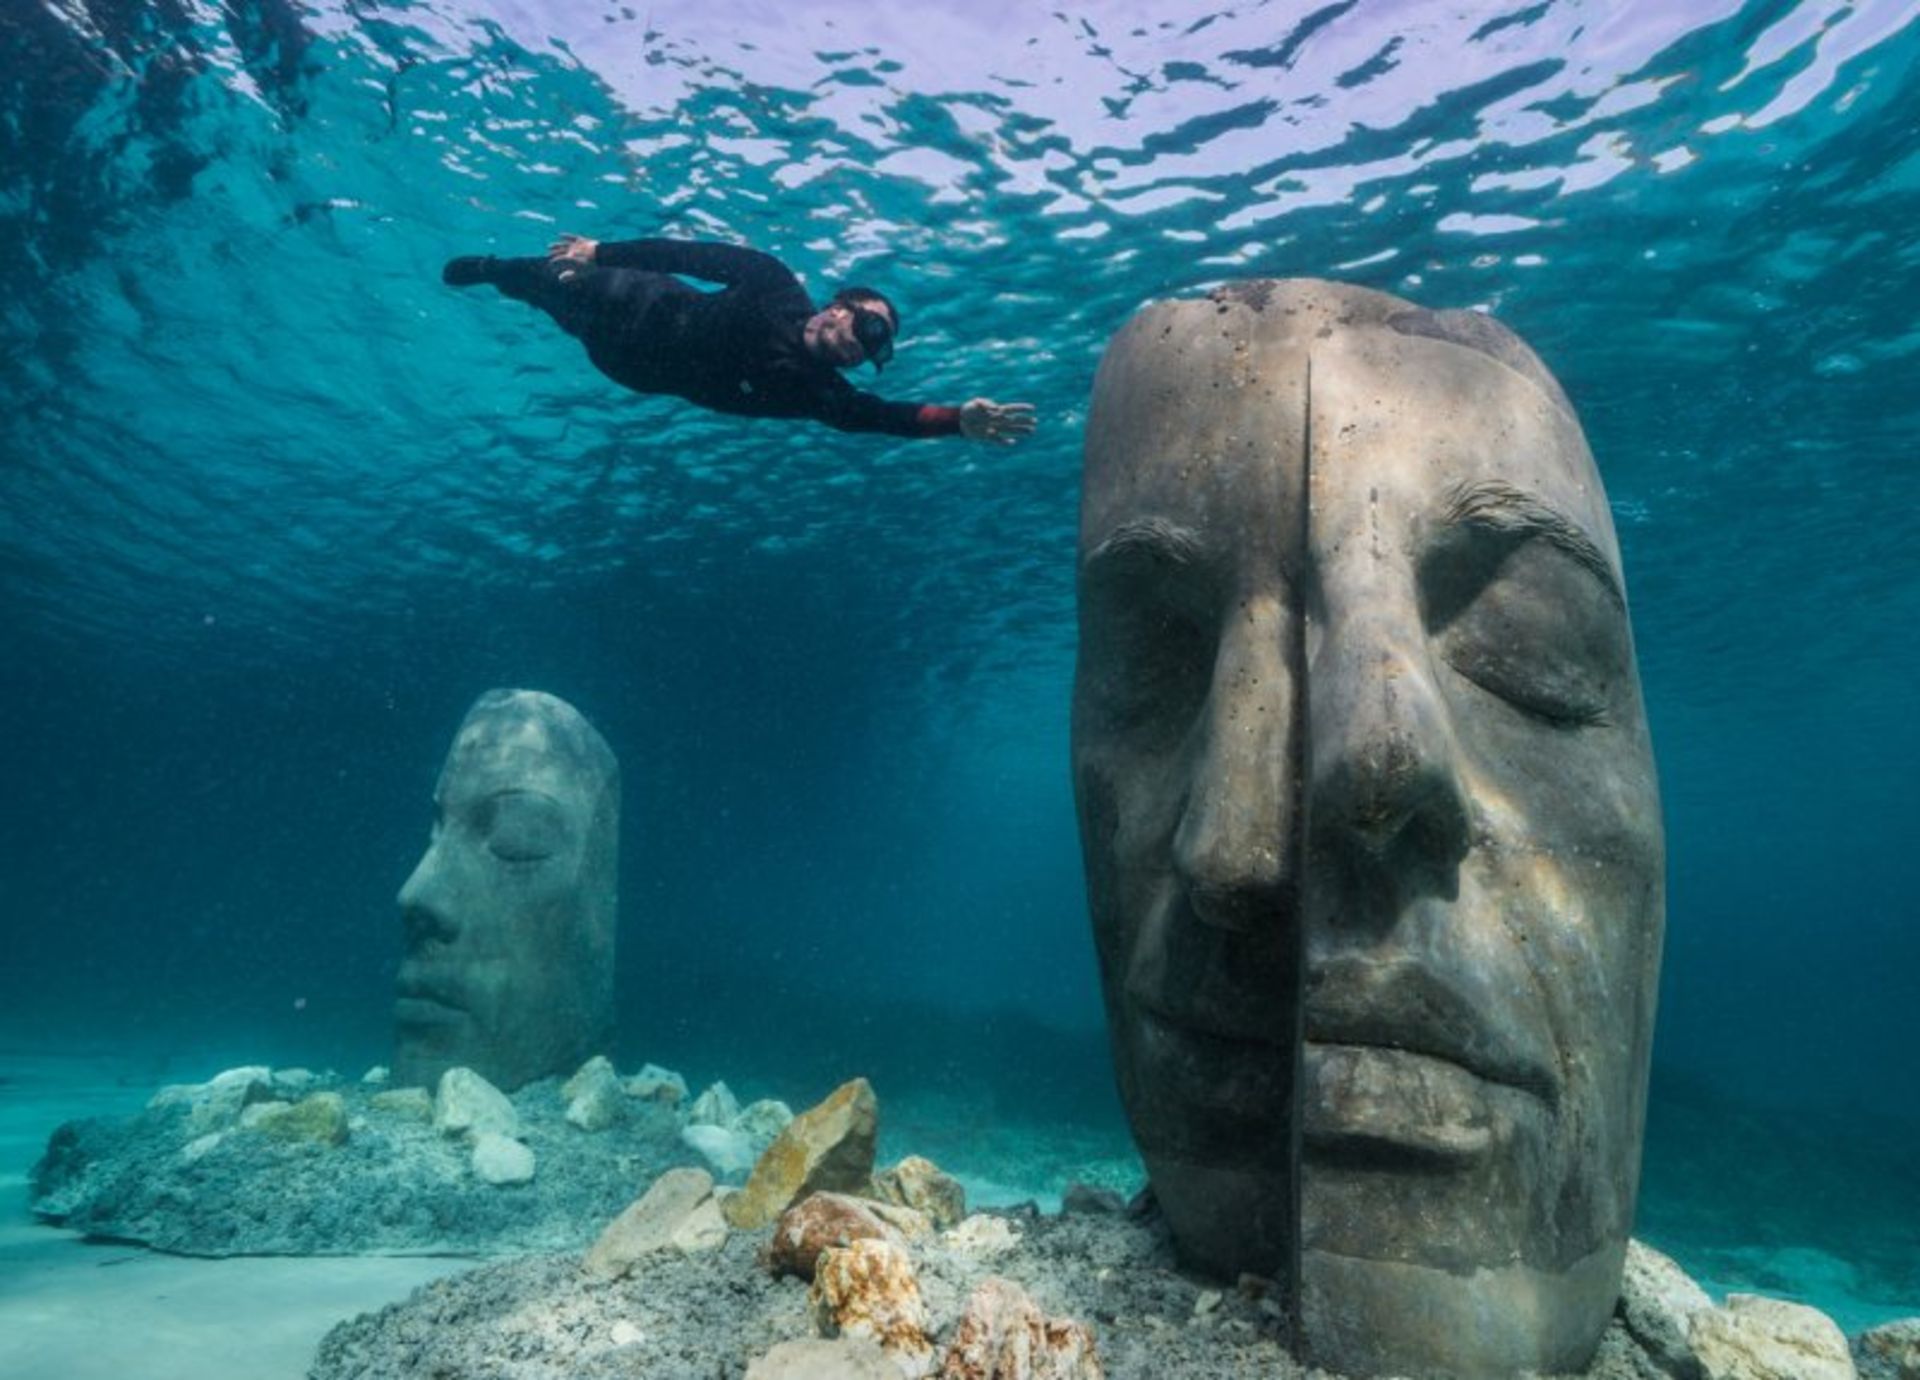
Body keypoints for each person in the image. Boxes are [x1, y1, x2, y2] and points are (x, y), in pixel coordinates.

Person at [443, 234, 1037, 443]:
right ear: (840, 306)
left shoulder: (819, 393)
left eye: (877, 352)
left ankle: (519, 286)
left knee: (561, 316)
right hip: (636, 298)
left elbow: (883, 417)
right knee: (550, 282)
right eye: (872, 327)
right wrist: (602, 252)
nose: (866, 349)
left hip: (625, 366)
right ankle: (495, 270)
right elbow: (690, 256)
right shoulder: (772, 282)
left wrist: (956, 419)